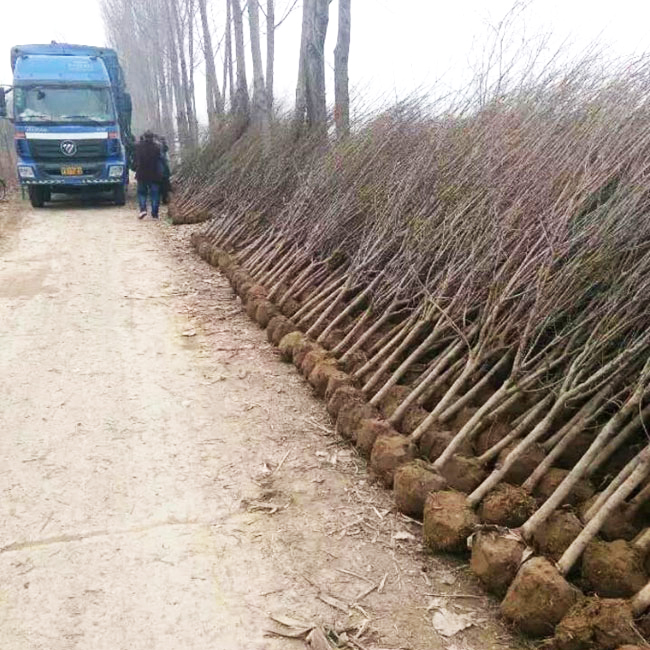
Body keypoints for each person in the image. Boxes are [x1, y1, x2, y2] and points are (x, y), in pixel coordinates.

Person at [134, 130, 163, 219]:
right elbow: (161, 160)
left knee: (142, 193)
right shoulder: (157, 147)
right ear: (153, 137)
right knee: (154, 194)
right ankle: (154, 213)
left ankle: (143, 210)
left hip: (141, 174)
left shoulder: (138, 147)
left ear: (144, 137)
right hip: (154, 175)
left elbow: (135, 160)